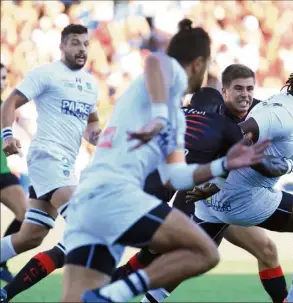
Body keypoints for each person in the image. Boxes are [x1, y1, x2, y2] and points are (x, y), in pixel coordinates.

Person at [60, 19, 270, 303]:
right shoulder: (168, 76)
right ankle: (114, 295)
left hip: (86, 200)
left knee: (76, 300)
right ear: (199, 63)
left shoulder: (175, 112)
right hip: (116, 195)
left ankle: (106, 296)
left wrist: (223, 165)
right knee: (205, 252)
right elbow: (154, 63)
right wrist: (159, 117)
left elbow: (177, 177)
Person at [116, 64, 293, 303]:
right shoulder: (212, 115)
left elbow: (287, 121)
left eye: (249, 89)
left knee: (265, 251)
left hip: (229, 194)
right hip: (198, 194)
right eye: (238, 89)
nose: (245, 95)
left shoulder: (257, 109)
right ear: (224, 92)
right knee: (174, 254)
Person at [183, 64, 293, 303]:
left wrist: (218, 180)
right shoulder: (283, 114)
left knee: (190, 258)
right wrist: (286, 164)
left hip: (219, 192)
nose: (246, 94)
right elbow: (236, 134)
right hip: (243, 198)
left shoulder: (281, 103)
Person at [0, 24, 101, 302]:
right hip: (47, 157)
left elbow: (91, 125)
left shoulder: (91, 84)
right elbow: (9, 104)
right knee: (84, 222)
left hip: (68, 165)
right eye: (75, 43)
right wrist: (7, 135)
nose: (81, 49)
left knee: (30, 237)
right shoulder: (46, 74)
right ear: (62, 47)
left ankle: (4, 294)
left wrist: (102, 138)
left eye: (85, 44)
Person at [0, 63, 28, 283]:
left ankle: (0, 261)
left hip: (2, 172)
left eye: (3, 78)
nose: (2, 83)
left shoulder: (4, 107)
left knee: (25, 213)